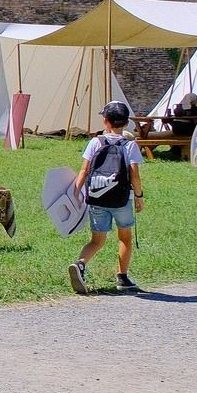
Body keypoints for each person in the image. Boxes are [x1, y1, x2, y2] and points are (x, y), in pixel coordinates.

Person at [70, 101, 146, 295]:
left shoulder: (95, 142)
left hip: (97, 197)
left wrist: (75, 193)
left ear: (106, 122)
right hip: (121, 199)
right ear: (126, 123)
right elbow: (134, 175)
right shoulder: (130, 145)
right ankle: (122, 277)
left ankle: (80, 265)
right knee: (125, 238)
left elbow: (84, 170)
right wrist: (139, 196)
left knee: (97, 240)